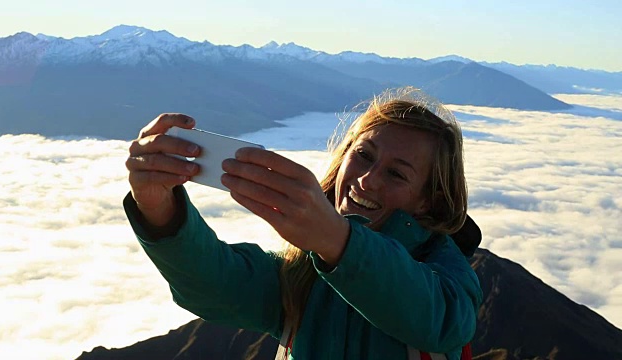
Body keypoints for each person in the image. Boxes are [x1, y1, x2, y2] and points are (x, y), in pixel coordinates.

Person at [123, 87, 483, 360]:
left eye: (395, 173)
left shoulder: (448, 277)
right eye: (363, 155)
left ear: (428, 199)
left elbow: (442, 321)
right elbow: (213, 283)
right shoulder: (302, 272)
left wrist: (336, 240)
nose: (367, 180)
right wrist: (157, 207)